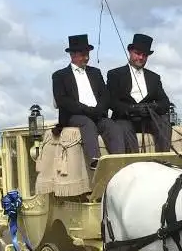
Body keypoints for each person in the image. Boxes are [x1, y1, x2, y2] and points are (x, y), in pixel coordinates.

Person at [52, 34, 126, 170]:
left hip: (97, 113)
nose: (86, 58)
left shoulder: (95, 72)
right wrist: (86, 110)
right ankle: (95, 161)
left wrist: (99, 109)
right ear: (72, 55)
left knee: (111, 125)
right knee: (87, 124)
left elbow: (105, 95)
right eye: (82, 54)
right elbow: (62, 100)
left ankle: (119, 160)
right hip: (75, 115)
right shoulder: (59, 75)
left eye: (87, 54)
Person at [107, 33, 172, 153]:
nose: (141, 58)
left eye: (144, 55)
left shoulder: (154, 77)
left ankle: (164, 158)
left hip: (148, 119)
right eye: (138, 53)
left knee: (164, 121)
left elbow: (165, 102)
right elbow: (111, 101)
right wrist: (131, 109)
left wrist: (152, 107)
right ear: (130, 52)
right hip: (125, 119)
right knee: (123, 127)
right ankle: (134, 163)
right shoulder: (115, 74)